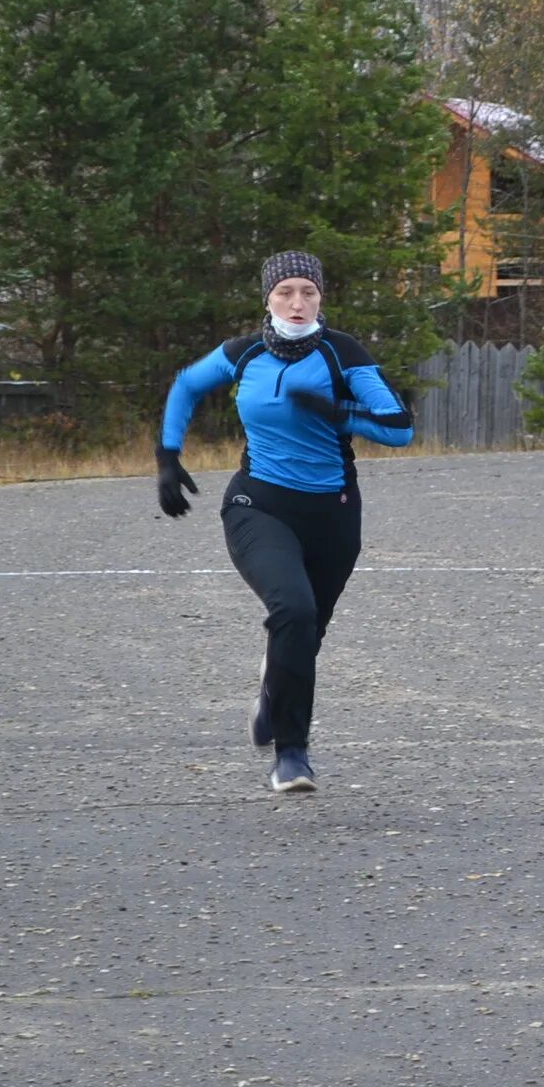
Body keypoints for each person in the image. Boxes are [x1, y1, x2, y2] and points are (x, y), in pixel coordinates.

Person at [155, 250, 413, 792]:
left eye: (308, 292)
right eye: (285, 292)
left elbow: (399, 428)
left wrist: (339, 413)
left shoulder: (343, 354)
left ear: (321, 296)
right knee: (291, 609)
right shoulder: (243, 353)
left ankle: (273, 699)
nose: (297, 303)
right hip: (259, 505)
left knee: (307, 632)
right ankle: (291, 753)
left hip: (334, 514)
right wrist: (168, 456)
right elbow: (185, 386)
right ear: (267, 297)